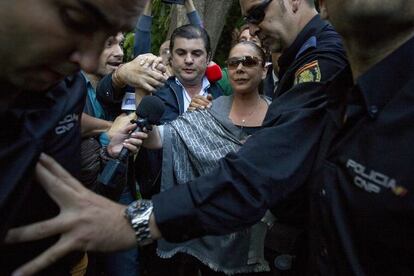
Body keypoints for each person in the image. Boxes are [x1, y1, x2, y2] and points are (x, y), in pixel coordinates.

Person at [0, 0, 149, 274]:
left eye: (111, 37)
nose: (90, 60)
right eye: (76, 20)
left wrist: (138, 223)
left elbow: (75, 199)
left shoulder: (67, 90)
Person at [143, 41, 273, 275]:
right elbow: (155, 140)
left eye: (249, 62)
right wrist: (142, 91)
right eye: (233, 63)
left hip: (261, 239)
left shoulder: (280, 117)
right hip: (210, 235)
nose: (240, 68)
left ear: (264, 70)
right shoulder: (208, 110)